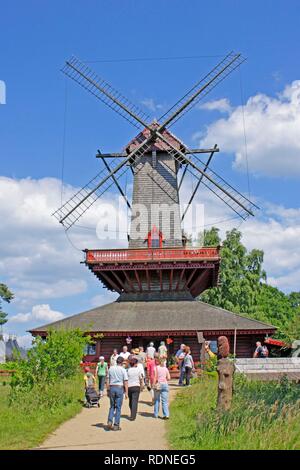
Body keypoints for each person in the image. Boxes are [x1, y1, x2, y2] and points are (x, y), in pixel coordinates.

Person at [107, 356, 128, 431]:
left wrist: (108, 390)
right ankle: (116, 425)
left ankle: (110, 421)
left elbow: (108, 379)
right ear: (122, 362)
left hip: (112, 387)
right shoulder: (123, 370)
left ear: (116, 361)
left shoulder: (111, 368)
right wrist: (126, 392)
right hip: (119, 388)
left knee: (112, 406)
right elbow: (125, 381)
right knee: (118, 408)